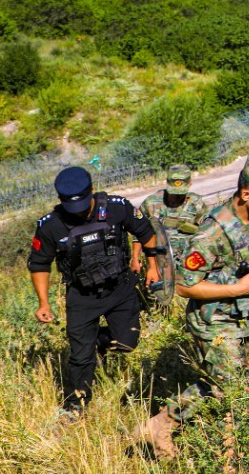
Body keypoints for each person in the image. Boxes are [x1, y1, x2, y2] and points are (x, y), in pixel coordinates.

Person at [133, 152, 249, 458]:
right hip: (214, 321)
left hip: (244, 314)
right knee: (228, 384)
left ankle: (241, 442)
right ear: (246, 194)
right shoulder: (212, 233)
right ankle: (162, 425)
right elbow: (183, 286)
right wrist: (238, 288)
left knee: (245, 379)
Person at [28, 166, 160, 417]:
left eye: (82, 206)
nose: (78, 213)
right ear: (60, 200)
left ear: (91, 190)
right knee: (80, 357)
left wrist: (153, 266)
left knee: (126, 342)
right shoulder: (51, 226)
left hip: (120, 287)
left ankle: (98, 343)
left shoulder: (116, 207)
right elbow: (39, 264)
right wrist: (43, 302)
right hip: (82, 296)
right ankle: (75, 406)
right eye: (72, 208)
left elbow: (145, 232)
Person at [135, 165, 211, 305]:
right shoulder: (151, 203)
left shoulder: (197, 205)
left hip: (187, 265)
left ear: (190, 184)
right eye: (173, 192)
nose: (176, 196)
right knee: (156, 301)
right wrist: (136, 258)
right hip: (158, 263)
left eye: (180, 192)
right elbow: (138, 231)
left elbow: (208, 234)